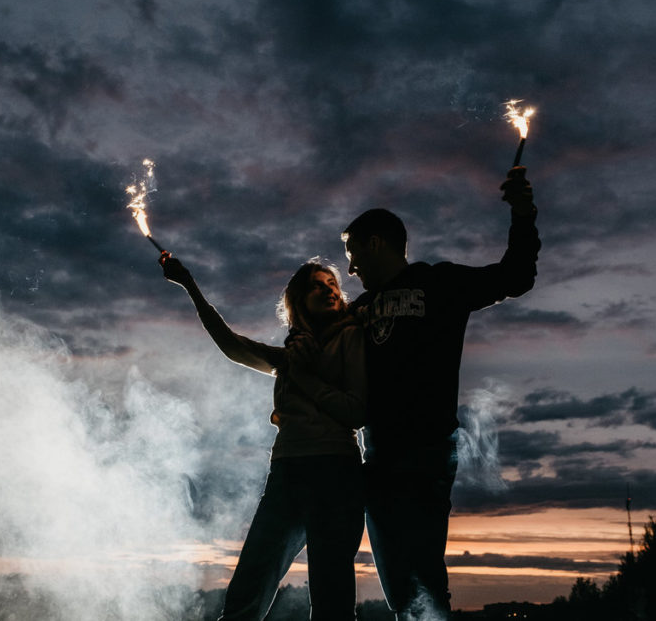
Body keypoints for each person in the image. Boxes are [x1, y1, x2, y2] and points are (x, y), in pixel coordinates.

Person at [340, 166, 540, 620]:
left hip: (427, 452)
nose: (350, 268)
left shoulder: (439, 282)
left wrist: (523, 213)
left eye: (353, 254)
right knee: (399, 591)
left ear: (376, 243)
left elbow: (516, 276)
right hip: (378, 456)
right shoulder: (358, 311)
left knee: (424, 580)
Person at [160, 254, 367, 621]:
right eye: (317, 286)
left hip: (336, 472)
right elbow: (232, 345)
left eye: (332, 284)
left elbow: (357, 412)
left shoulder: (351, 337)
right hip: (287, 473)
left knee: (331, 599)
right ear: (299, 299)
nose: (328, 290)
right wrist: (189, 285)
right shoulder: (291, 353)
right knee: (246, 593)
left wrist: (302, 376)